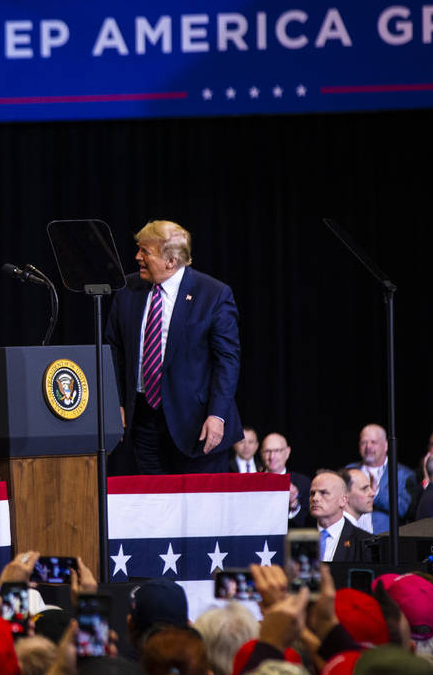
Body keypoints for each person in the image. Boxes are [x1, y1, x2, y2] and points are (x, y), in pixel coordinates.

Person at [105, 220, 241, 474]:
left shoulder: (213, 294)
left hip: (197, 427)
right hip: (143, 425)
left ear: (171, 261)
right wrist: (115, 403)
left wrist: (217, 415)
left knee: (198, 511)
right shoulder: (128, 290)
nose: (137, 257)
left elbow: (227, 361)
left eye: (146, 252)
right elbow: (113, 349)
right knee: (153, 509)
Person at [346, 423, 417, 533]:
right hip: (351, 537)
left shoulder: (403, 474)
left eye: (373, 442)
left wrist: (377, 493)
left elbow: (403, 509)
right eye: (364, 442)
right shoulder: (349, 471)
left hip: (384, 540)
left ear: (385, 445)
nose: (368, 446)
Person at [309, 471, 372, 563]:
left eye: (324, 493)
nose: (315, 498)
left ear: (343, 500)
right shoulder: (297, 538)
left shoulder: (363, 542)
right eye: (312, 493)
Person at [259, 433, 310, 528]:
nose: (272, 457)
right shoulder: (253, 482)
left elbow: (306, 522)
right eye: (267, 451)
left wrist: (294, 505)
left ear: (287, 452)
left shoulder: (303, 483)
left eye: (277, 451)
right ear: (261, 453)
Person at [340, 467, 375, 533]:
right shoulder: (341, 531)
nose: (373, 493)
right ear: (345, 495)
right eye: (364, 489)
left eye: (370, 487)